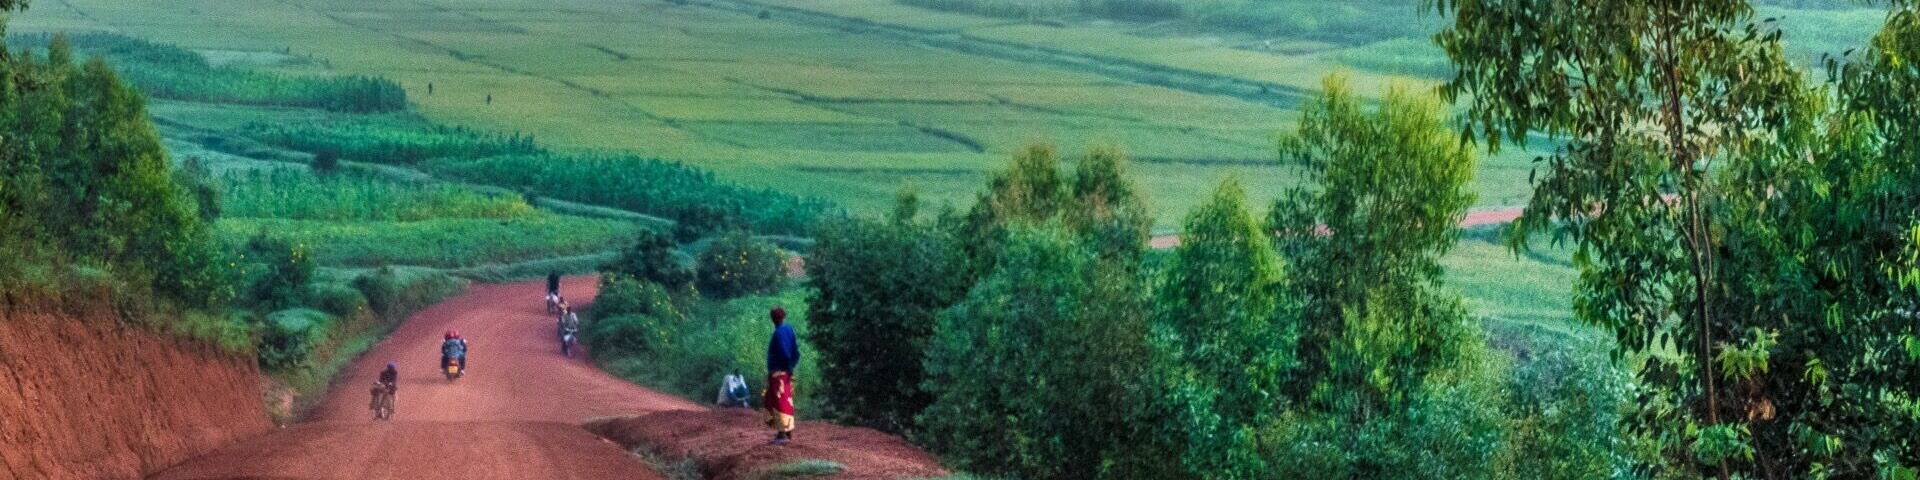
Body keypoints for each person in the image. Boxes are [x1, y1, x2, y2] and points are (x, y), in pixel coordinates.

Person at [764, 307, 799, 444]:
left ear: (773, 319)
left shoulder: (778, 333)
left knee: (779, 402)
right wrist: (791, 368)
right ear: (784, 317)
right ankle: (787, 431)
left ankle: (782, 434)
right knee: (786, 400)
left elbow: (785, 353)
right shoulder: (789, 329)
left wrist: (786, 367)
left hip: (778, 372)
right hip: (785, 372)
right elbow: (796, 351)